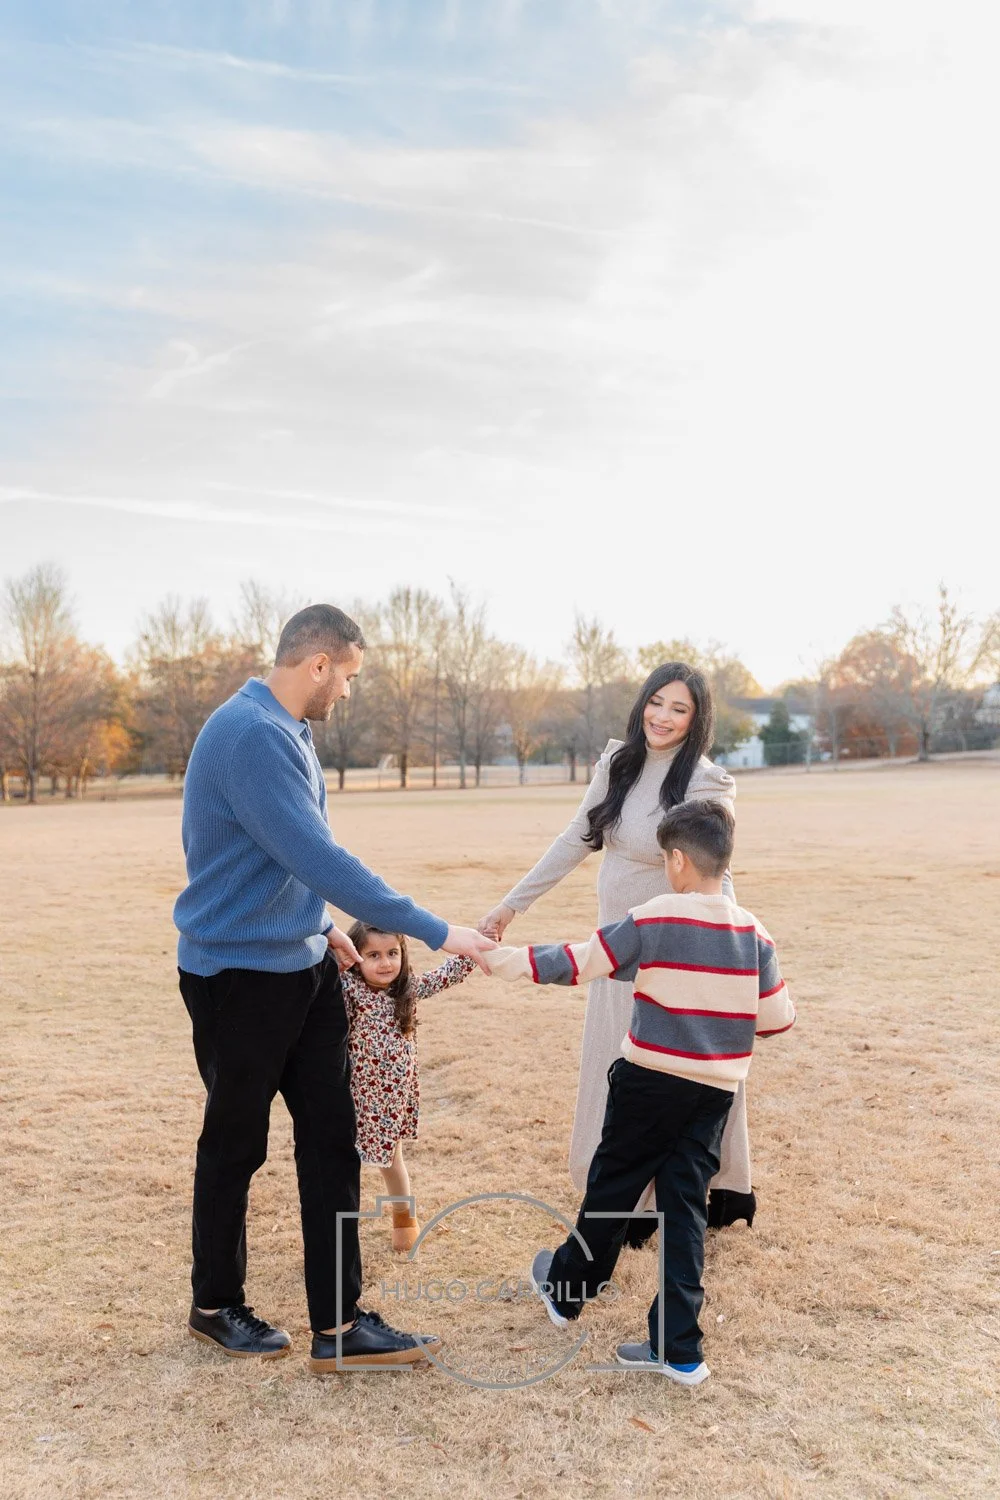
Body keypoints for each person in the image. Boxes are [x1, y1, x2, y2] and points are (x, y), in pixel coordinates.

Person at [174, 603, 494, 1373]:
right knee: (236, 1145)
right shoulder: (251, 736)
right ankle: (215, 1305)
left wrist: (320, 925)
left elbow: (287, 857)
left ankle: (339, 1326)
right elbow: (318, 854)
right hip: (237, 976)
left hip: (303, 964)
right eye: (347, 676)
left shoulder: (291, 730)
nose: (347, 691)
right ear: (317, 664)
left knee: (332, 1138)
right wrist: (436, 929)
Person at [485, 799, 795, 1386]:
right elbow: (777, 1019)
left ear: (676, 860)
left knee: (615, 1183)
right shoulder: (754, 933)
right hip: (714, 1093)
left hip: (649, 1081)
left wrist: (500, 961)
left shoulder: (654, 917)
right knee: (685, 1208)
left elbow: (579, 961)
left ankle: (567, 1290)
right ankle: (678, 1347)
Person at [479, 662, 755, 1232]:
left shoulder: (706, 783)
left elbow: (716, 872)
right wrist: (511, 906)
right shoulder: (619, 763)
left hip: (675, 944)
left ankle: (716, 1187)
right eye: (657, 702)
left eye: (680, 709)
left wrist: (730, 937)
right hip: (617, 942)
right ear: (642, 703)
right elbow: (576, 838)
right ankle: (625, 1198)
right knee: (619, 1064)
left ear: (697, 719)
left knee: (688, 1068)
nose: (663, 716)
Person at [342, 922, 476, 1254]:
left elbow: (448, 974)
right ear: (355, 956)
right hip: (353, 1097)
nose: (385, 963)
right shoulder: (347, 988)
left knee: (392, 1160)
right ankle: (341, 1230)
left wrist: (477, 946)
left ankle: (404, 1222)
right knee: (344, 1163)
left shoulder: (407, 989)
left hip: (391, 1099)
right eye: (373, 955)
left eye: (392, 953)